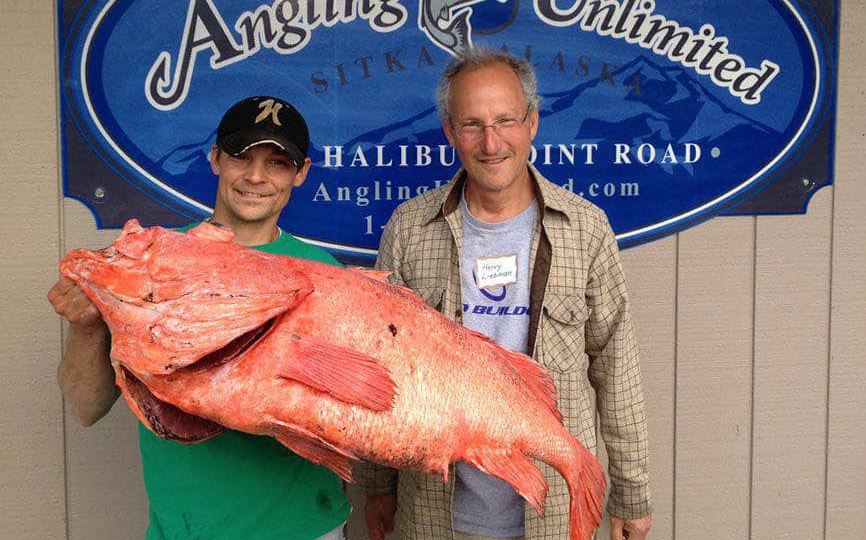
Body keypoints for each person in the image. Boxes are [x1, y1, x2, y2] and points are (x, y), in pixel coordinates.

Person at [359, 48, 653, 540]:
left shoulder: (586, 229)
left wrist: (631, 493)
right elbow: (382, 367)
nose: (491, 142)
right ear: (451, 132)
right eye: (472, 124)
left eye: (505, 121)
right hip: (435, 513)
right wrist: (377, 485)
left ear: (533, 123)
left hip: (552, 513)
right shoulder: (410, 229)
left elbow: (616, 369)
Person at [49, 96, 350, 540]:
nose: (255, 176)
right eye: (240, 157)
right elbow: (84, 407)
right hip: (188, 530)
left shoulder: (327, 276)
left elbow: (351, 416)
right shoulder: (152, 264)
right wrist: (86, 325)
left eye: (277, 162)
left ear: (300, 173)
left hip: (308, 526)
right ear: (215, 159)